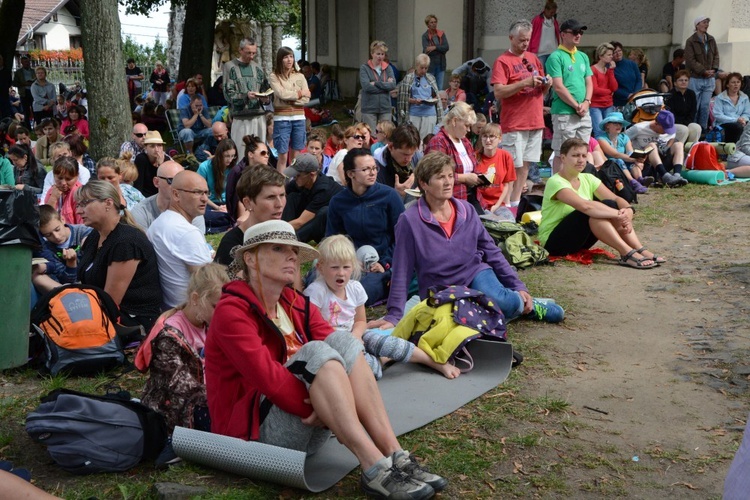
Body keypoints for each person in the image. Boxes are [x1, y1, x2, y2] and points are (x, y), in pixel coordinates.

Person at [205, 219, 445, 499]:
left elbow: (339, 344)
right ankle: (374, 467)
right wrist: (321, 407)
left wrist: (329, 405)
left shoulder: (295, 304)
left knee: (342, 340)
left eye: (293, 250)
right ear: (251, 259)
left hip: (310, 425)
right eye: (279, 249)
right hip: (256, 435)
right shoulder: (232, 311)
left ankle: (395, 456)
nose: (292, 256)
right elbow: (269, 379)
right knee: (316, 352)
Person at [369, 151, 564, 331]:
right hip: (440, 287)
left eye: (449, 176)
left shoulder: (466, 210)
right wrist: (394, 314)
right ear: (424, 183)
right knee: (459, 325)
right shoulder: (409, 220)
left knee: (498, 299)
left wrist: (518, 286)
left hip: (474, 273)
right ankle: (495, 311)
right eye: (440, 177)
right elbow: (402, 268)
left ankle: (524, 304)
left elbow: (491, 250)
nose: (448, 182)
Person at [304, 235, 460, 380]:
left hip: (356, 335)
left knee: (389, 343)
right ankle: (382, 360)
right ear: (320, 267)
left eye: (346, 267)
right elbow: (313, 329)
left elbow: (360, 321)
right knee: (367, 372)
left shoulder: (355, 288)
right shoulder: (316, 292)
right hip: (333, 344)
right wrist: (349, 344)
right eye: (334, 267)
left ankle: (433, 362)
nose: (341, 273)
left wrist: (356, 336)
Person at [538, 138, 662, 269]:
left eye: (584, 156)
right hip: (554, 243)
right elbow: (585, 206)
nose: (580, 160)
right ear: (563, 158)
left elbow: (615, 199)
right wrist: (618, 215)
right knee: (589, 213)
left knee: (610, 204)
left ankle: (639, 249)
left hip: (579, 238)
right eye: (575, 156)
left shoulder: (588, 178)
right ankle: (626, 253)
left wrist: (628, 210)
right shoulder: (555, 181)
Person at [138, 263, 228, 434]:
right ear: (195, 298)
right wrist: (226, 397)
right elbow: (182, 388)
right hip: (176, 411)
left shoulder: (212, 325)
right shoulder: (169, 335)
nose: (222, 313)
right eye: (216, 307)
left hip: (211, 398)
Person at [75, 180, 162, 332]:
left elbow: (111, 301)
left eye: (84, 204)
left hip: (132, 321)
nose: (78, 211)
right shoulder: (95, 236)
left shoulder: (126, 242)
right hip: (102, 312)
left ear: (108, 203)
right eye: (78, 205)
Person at [326, 149, 404, 306]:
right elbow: (332, 238)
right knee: (314, 279)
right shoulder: (338, 201)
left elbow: (403, 238)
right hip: (349, 263)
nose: (372, 172)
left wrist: (385, 263)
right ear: (350, 174)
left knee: (361, 291)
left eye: (374, 168)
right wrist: (350, 260)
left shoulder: (389, 196)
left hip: (380, 266)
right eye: (366, 169)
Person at [492, 19, 551, 209]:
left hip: (535, 120)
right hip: (515, 121)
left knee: (526, 165)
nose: (525, 43)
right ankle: (505, 204)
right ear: (511, 38)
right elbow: (499, 92)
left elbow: (542, 92)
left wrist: (547, 84)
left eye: (527, 40)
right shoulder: (502, 61)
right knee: (512, 166)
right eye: (521, 40)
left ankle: (516, 203)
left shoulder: (534, 58)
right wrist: (524, 83)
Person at [148, 171, 213, 309]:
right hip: (191, 314)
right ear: (176, 194)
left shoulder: (160, 222)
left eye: (207, 193)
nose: (205, 199)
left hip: (171, 308)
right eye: (197, 192)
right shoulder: (185, 231)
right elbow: (210, 283)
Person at [214, 166, 286, 266]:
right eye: (271, 197)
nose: (279, 204)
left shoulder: (287, 234)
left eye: (282, 195)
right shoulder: (232, 245)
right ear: (248, 203)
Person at [546, 19, 593, 172]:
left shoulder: (583, 56)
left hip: (583, 111)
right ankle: (559, 187)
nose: (578, 35)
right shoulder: (555, 56)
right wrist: (576, 105)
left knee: (582, 151)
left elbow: (589, 83)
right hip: (564, 112)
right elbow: (558, 87)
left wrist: (586, 102)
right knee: (562, 152)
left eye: (580, 32)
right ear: (563, 35)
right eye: (574, 32)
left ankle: (577, 184)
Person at [425, 101, 481, 213]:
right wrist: (465, 178)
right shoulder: (438, 142)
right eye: (467, 125)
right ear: (455, 121)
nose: (469, 130)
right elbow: (435, 175)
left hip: (473, 197)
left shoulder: (465, 141)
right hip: (452, 201)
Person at [130, 160, 206, 234]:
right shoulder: (141, 212)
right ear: (156, 182)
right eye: (171, 180)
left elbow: (196, 242)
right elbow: (144, 245)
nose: (179, 186)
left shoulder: (192, 209)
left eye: (183, 181)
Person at [32, 204, 92, 294]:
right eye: (48, 235)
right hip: (71, 290)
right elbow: (68, 281)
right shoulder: (49, 249)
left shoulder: (83, 232)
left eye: (57, 229)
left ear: (62, 219)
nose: (56, 237)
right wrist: (71, 263)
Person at [283, 153, 343, 243]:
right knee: (292, 197)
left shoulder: (324, 190)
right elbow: (280, 194)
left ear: (311, 174)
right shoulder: (301, 181)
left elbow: (300, 222)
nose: (294, 178)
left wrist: (278, 230)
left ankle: (293, 240)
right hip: (312, 217)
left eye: (298, 175)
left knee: (324, 212)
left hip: (333, 229)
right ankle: (285, 234)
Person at [269, 46, 311, 172]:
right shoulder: (274, 76)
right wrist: (299, 93)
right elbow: (281, 94)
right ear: (280, 59)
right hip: (282, 119)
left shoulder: (300, 76)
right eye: (286, 57)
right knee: (282, 155)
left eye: (291, 56)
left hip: (299, 118)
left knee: (296, 155)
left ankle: (293, 183)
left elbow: (307, 98)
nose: (289, 60)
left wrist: (290, 97)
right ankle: (281, 186)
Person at [223, 38, 270, 148]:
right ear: (240, 50)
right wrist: (245, 96)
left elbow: (266, 89)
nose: (252, 56)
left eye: (254, 53)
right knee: (240, 151)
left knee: (259, 151)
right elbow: (228, 94)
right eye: (248, 53)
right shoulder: (230, 66)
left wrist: (266, 99)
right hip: (241, 118)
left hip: (259, 116)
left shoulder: (258, 67)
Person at [625, 110, 688, 187]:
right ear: (656, 123)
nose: (667, 132)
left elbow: (672, 137)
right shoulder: (639, 128)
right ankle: (665, 176)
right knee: (652, 145)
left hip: (663, 159)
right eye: (664, 129)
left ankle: (677, 175)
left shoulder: (669, 129)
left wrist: (667, 146)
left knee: (679, 144)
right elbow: (622, 139)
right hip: (644, 163)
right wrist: (631, 154)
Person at [595, 113, 650, 193]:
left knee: (632, 161)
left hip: (625, 162)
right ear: (607, 125)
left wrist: (638, 158)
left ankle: (639, 179)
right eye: (615, 123)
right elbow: (615, 154)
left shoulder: (624, 137)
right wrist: (634, 159)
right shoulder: (601, 139)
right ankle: (632, 182)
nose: (619, 126)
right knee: (620, 161)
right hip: (610, 165)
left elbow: (630, 152)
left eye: (620, 123)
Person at [224, 135, 271, 222]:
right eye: (263, 153)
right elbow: (233, 198)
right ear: (250, 154)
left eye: (268, 153)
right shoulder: (237, 171)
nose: (267, 156)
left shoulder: (268, 171)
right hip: (243, 207)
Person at [684, 16, 719, 132]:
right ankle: (693, 129)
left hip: (710, 78)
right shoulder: (690, 41)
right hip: (696, 78)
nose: (706, 24)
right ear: (697, 25)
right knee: (695, 105)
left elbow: (716, 56)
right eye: (704, 22)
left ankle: (703, 128)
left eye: (707, 22)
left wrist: (714, 69)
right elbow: (690, 60)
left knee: (705, 106)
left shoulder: (711, 39)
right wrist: (703, 71)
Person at [397, 54, 443, 139]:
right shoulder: (408, 78)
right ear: (416, 65)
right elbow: (402, 98)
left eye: (426, 68)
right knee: (413, 139)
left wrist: (433, 100)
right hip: (414, 113)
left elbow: (436, 96)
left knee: (427, 139)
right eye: (422, 68)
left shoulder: (431, 78)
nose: (424, 70)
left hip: (430, 113)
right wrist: (414, 101)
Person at [196, 138, 236, 233]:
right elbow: (199, 192)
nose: (230, 160)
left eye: (233, 156)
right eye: (226, 156)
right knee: (200, 215)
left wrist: (228, 207)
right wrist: (217, 208)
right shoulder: (205, 167)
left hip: (230, 205)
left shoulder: (235, 167)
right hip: (212, 204)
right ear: (219, 155)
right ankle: (228, 223)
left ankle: (222, 223)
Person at [475, 123, 516, 213]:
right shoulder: (474, 157)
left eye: (492, 136)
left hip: (499, 204)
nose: (488, 140)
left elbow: (506, 184)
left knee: (508, 223)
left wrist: (497, 205)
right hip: (479, 204)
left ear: (500, 139)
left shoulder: (506, 156)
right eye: (484, 136)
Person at [360, 41, 397, 133]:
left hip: (385, 107)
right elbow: (366, 87)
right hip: (369, 108)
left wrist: (376, 83)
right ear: (372, 54)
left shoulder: (388, 68)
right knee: (371, 135)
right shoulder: (364, 68)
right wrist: (385, 86)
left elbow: (392, 85)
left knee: (385, 134)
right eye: (378, 54)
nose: (380, 56)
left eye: (382, 54)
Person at [374, 123, 419, 199]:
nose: (409, 159)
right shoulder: (376, 169)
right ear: (391, 147)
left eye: (412, 154)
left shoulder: (417, 157)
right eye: (404, 154)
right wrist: (396, 194)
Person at [712, 72, 750, 143]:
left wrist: (743, 120)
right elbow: (718, 115)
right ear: (727, 84)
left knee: (744, 126)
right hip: (724, 123)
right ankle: (732, 149)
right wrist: (736, 120)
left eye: (738, 82)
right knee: (737, 127)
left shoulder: (744, 97)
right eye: (733, 82)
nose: (736, 84)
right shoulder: (720, 98)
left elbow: (747, 113)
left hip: (741, 123)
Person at [665, 70, 701, 145]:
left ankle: (690, 150)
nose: (683, 82)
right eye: (681, 80)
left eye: (686, 80)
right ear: (675, 83)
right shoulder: (670, 95)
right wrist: (683, 124)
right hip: (674, 123)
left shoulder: (691, 94)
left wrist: (686, 122)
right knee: (683, 129)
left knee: (696, 127)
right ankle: (678, 150)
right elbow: (671, 114)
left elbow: (693, 111)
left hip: (687, 122)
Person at [44, 156, 83, 225]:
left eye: (68, 179)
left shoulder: (79, 194)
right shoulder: (52, 191)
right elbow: (45, 219)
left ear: (77, 176)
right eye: (59, 178)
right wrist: (53, 199)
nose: (63, 183)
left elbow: (82, 225)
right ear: (54, 175)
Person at [589, 43, 618, 135]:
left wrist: (611, 71)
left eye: (611, 55)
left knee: (610, 131)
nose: (611, 57)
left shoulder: (608, 70)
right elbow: (595, 89)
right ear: (601, 56)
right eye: (609, 55)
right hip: (596, 105)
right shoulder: (593, 70)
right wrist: (609, 92)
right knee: (599, 131)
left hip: (608, 104)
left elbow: (614, 87)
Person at [134, 131, 171, 197]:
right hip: (145, 197)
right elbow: (138, 184)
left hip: (162, 196)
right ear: (146, 147)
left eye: (159, 145)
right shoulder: (141, 159)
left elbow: (167, 185)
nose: (156, 149)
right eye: (152, 146)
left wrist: (161, 166)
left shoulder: (167, 160)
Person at [610, 41, 642, 108]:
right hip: (619, 102)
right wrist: (627, 95)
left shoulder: (632, 64)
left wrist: (635, 94)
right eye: (615, 52)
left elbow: (639, 80)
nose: (618, 53)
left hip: (635, 99)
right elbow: (611, 86)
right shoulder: (610, 68)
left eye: (619, 51)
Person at [422, 14, 449, 89]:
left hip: (441, 65)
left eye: (435, 22)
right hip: (431, 66)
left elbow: (446, 47)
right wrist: (440, 49)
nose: (434, 24)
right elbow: (426, 50)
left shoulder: (441, 34)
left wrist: (434, 47)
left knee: (439, 87)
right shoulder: (425, 36)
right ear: (428, 25)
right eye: (431, 22)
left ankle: (438, 101)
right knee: (430, 87)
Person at [529, 1, 560, 66]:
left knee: (551, 73)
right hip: (540, 53)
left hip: (553, 51)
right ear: (545, 10)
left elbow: (557, 35)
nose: (552, 14)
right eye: (551, 12)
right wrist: (531, 50)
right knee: (541, 72)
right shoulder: (537, 20)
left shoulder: (554, 21)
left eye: (554, 12)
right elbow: (531, 35)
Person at [13, 55, 35, 127]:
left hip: (33, 92)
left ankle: (36, 125)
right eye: (25, 62)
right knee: (26, 111)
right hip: (24, 92)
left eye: (28, 62)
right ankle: (28, 127)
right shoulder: (18, 72)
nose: (27, 63)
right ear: (21, 63)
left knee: (34, 109)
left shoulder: (33, 71)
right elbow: (14, 83)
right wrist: (23, 83)